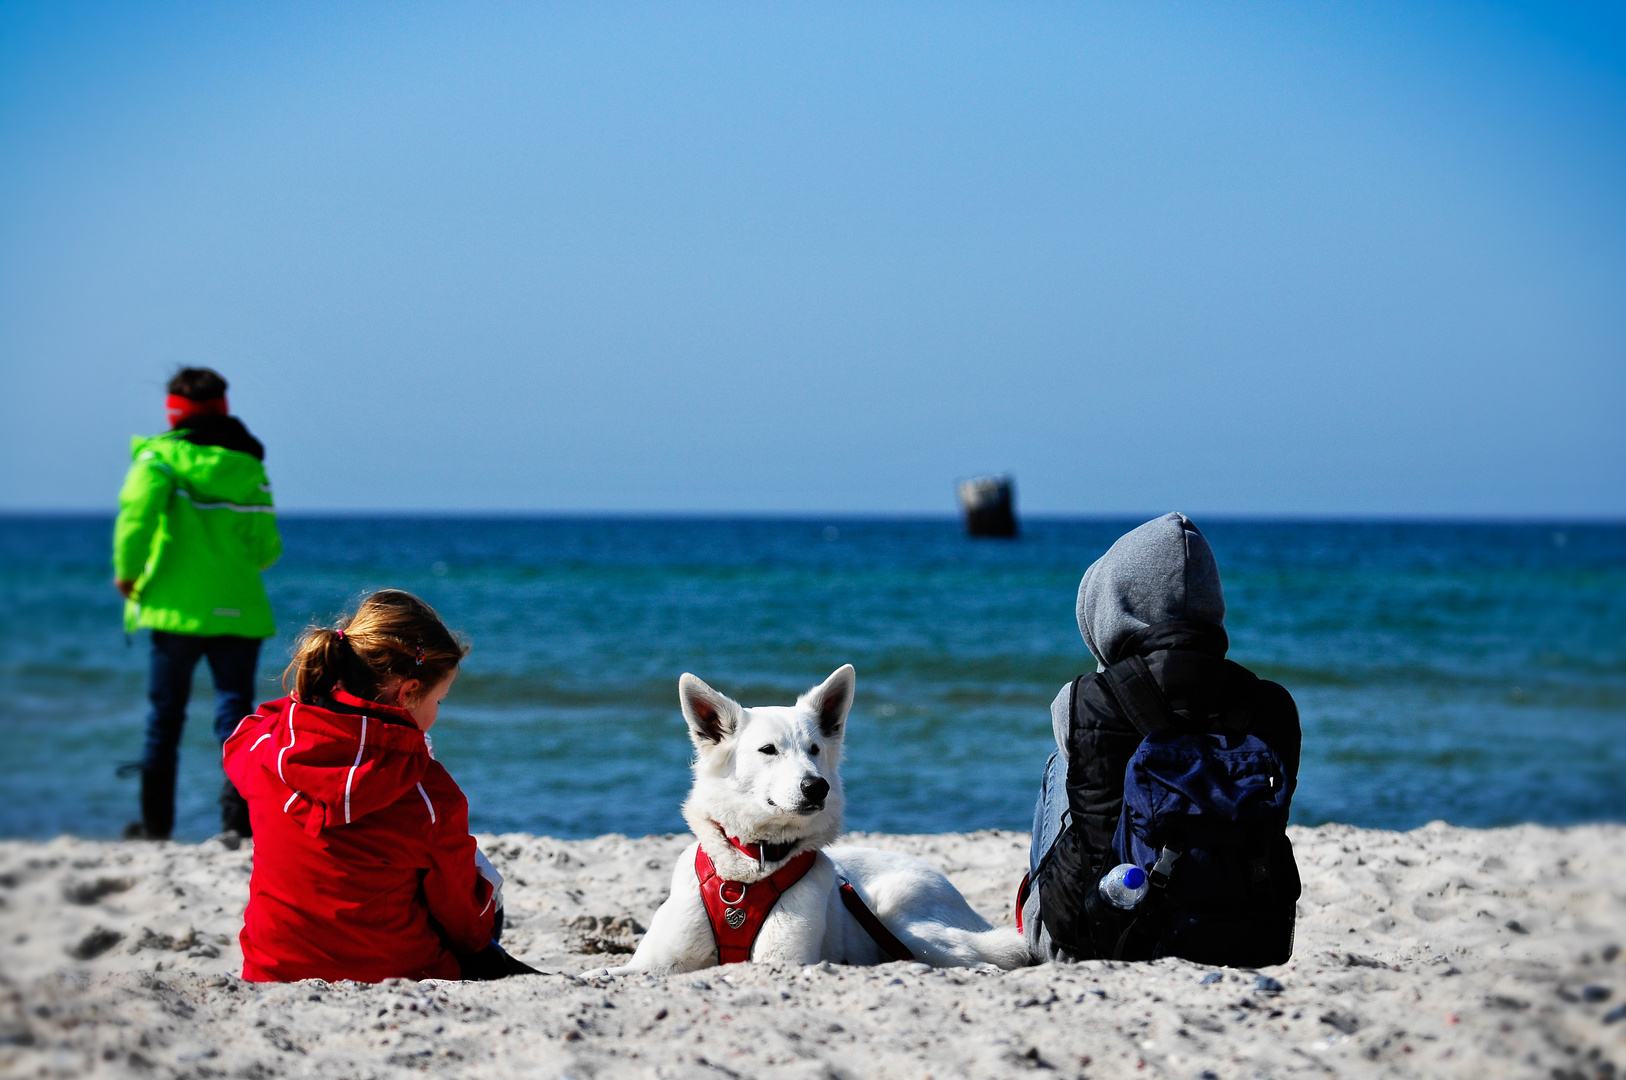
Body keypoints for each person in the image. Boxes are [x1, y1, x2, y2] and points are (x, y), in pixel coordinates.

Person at [1019, 513, 1302, 962]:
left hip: (1099, 938)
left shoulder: (1085, 699)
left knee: (1061, 764)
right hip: (1253, 940)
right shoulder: (1272, 706)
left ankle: (1028, 921)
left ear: (1113, 605)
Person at [223, 589, 530, 983]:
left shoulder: (267, 746)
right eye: (440, 701)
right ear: (407, 693)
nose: (437, 712)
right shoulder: (427, 792)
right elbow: (464, 920)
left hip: (271, 970)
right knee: (477, 884)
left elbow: (242, 735)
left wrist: (312, 701)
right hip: (397, 974)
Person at [114, 367, 281, 840]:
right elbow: (267, 551)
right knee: (236, 716)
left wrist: (127, 574)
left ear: (174, 412)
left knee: (165, 718)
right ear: (223, 406)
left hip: (176, 609)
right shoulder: (249, 466)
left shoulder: (160, 458)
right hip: (239, 608)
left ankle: (155, 826)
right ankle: (237, 823)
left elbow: (135, 520)